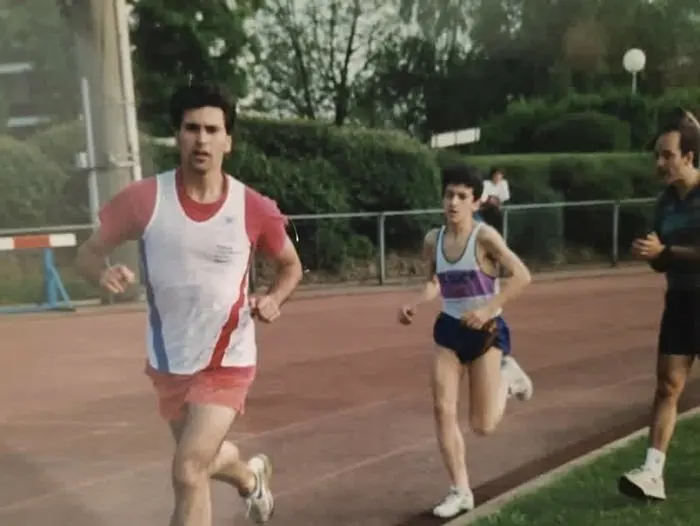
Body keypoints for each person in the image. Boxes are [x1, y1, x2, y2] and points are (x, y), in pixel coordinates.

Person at [75, 83, 304, 525]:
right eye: (192, 128)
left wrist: (275, 298)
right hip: (169, 360)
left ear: (228, 141)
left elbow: (291, 265)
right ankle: (251, 478)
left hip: (227, 360)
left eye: (212, 130)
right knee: (201, 460)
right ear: (177, 136)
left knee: (188, 470)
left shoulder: (252, 206)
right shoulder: (144, 200)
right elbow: (87, 253)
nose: (202, 139)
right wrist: (101, 274)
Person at [397, 164, 534, 519]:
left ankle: (507, 376)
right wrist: (415, 302)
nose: (453, 202)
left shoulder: (485, 238)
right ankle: (460, 490)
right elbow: (434, 282)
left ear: (475, 202)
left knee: (482, 426)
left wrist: (489, 309)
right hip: (449, 331)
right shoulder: (434, 240)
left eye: (462, 196)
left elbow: (522, 275)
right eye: (449, 195)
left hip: (486, 333)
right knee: (442, 408)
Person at [619, 108, 700, 502]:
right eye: (657, 156)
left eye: (668, 155)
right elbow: (662, 260)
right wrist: (651, 254)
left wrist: (665, 251)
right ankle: (653, 473)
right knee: (667, 385)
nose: (660, 164)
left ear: (689, 156)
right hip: (681, 302)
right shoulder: (664, 203)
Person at [478, 167, 510, 233]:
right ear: (492, 175)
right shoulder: (486, 183)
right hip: (486, 210)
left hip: (497, 210)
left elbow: (505, 197)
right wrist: (491, 198)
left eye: (500, 175)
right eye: (496, 175)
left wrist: (495, 198)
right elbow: (483, 198)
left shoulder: (503, 183)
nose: (498, 177)